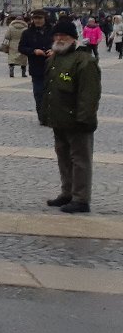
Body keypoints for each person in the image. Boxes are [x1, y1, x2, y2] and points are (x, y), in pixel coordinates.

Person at [39, 18, 101, 214]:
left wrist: (84, 119)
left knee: (80, 160)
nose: (58, 38)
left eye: (63, 35)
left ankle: (81, 199)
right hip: (59, 118)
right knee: (63, 158)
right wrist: (45, 115)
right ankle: (67, 193)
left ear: (73, 38)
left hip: (77, 120)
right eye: (56, 35)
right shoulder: (55, 58)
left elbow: (89, 94)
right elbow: (49, 90)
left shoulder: (85, 60)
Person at [18, 10, 55, 116]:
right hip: (36, 67)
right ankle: (42, 115)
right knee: (39, 93)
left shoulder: (53, 31)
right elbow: (21, 47)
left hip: (52, 66)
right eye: (35, 18)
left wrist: (54, 50)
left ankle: (52, 114)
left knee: (53, 93)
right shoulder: (27, 33)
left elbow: (62, 44)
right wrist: (33, 51)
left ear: (45, 19)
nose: (37, 21)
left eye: (40, 18)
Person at [0, 14, 29, 78]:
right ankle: (23, 72)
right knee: (23, 59)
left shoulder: (11, 27)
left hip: (12, 45)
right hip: (23, 45)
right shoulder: (25, 28)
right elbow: (28, 37)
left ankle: (11, 69)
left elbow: (7, 36)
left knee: (12, 59)